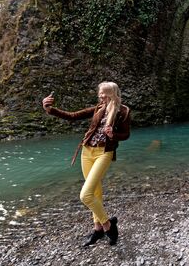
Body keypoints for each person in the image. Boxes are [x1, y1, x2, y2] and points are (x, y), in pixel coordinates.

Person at [42, 82, 131, 247]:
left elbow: (126, 134)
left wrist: (114, 135)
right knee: (95, 192)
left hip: (104, 153)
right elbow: (73, 116)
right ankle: (98, 229)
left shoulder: (123, 111)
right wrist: (50, 110)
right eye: (100, 93)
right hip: (87, 152)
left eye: (104, 93)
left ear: (113, 92)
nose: (101, 96)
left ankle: (107, 225)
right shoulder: (98, 108)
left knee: (86, 195)